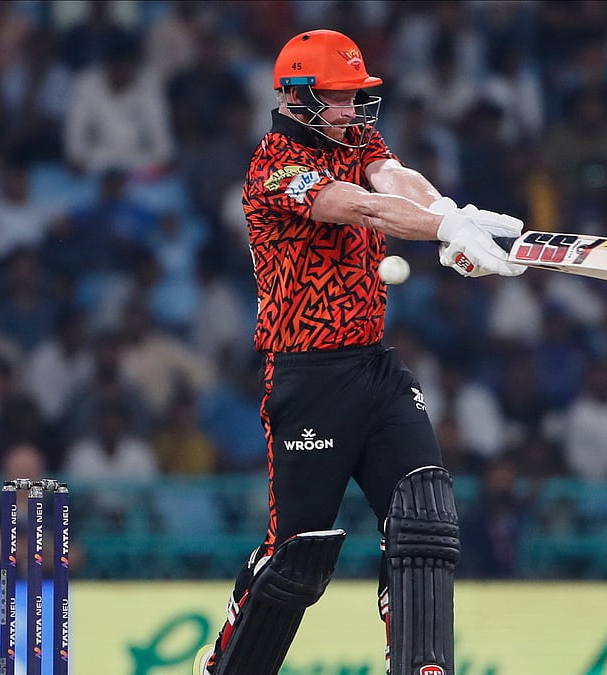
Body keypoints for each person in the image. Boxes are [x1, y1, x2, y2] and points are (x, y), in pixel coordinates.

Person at [194, 29, 525, 675]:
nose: (351, 112)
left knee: (424, 513)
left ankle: (422, 666)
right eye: (337, 99)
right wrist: (439, 231)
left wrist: (450, 212)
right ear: (294, 95)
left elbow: (393, 177)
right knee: (298, 554)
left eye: (356, 97)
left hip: (374, 365)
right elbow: (358, 206)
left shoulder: (357, 140)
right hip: (307, 378)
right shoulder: (274, 165)